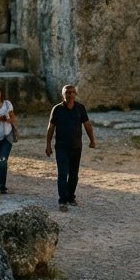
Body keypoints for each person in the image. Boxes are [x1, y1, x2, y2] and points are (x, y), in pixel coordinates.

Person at [44, 84, 96, 212]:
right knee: (62, 174)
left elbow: (87, 125)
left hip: (76, 147)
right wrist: (48, 145)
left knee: (74, 175)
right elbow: (50, 128)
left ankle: (71, 197)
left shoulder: (80, 108)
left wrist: (92, 140)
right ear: (63, 94)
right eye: (68, 92)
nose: (71, 94)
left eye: (73, 92)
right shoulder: (57, 109)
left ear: (75, 94)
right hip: (61, 147)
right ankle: (62, 201)